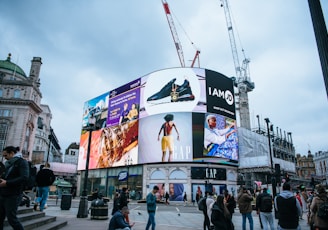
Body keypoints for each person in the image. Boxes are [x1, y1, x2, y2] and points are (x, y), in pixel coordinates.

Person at [0, 146, 29, 230]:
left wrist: (7, 183)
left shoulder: (22, 162)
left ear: (12, 153)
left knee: (12, 219)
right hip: (3, 193)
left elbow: (24, 177)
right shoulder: (7, 164)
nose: (5, 158)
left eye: (6, 155)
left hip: (13, 194)